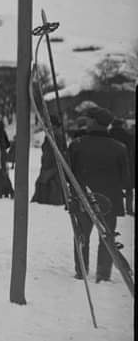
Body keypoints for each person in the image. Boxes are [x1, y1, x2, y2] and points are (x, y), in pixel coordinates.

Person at [68, 107, 129, 282]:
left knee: (81, 236)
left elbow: (67, 174)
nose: (85, 122)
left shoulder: (77, 145)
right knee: (107, 238)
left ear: (94, 122)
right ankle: (103, 274)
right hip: (110, 201)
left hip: (83, 198)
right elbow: (126, 180)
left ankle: (81, 270)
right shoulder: (120, 148)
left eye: (88, 119)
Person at [32, 117, 68, 206]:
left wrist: (47, 166)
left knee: (49, 183)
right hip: (51, 165)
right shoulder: (55, 135)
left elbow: (50, 153)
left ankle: (49, 200)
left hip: (51, 165)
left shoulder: (54, 136)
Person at [108, 119, 135, 216]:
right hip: (126, 164)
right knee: (129, 188)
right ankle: (129, 209)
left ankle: (113, 208)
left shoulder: (108, 135)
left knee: (113, 187)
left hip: (111, 164)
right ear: (122, 125)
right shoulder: (128, 136)